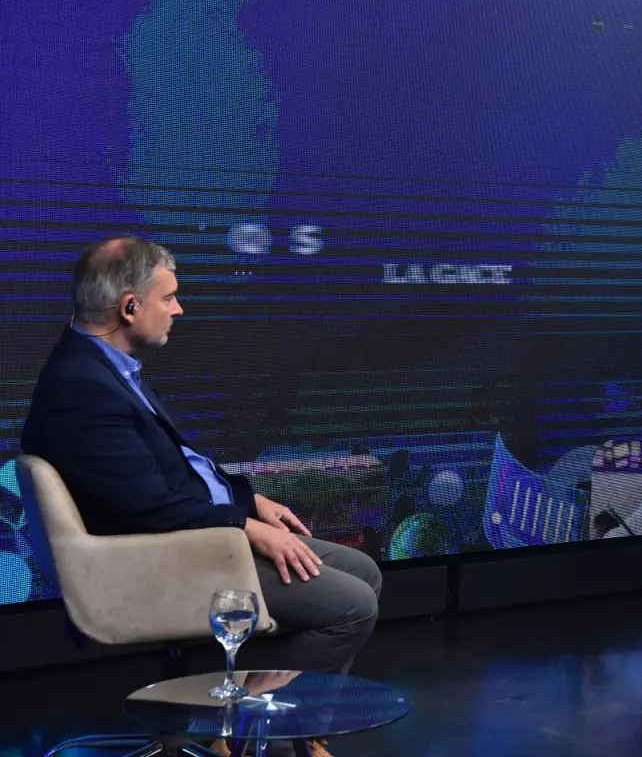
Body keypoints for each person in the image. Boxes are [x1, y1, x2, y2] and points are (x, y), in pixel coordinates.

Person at [21, 237, 381, 733]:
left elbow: (173, 471)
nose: (178, 309)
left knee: (363, 572)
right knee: (352, 606)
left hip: (196, 535)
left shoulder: (103, 367)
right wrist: (246, 527)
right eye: (168, 298)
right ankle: (257, 732)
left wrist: (248, 499)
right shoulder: (82, 388)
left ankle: (272, 727)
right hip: (163, 557)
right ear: (130, 307)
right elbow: (148, 508)